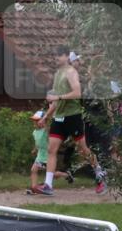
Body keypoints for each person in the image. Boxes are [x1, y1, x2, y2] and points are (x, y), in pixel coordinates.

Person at [32, 45, 107, 196]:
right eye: (55, 56)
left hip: (73, 116)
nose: (56, 58)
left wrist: (58, 97)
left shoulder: (71, 73)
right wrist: (46, 117)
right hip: (59, 118)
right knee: (51, 150)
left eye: (59, 55)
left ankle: (99, 173)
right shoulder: (58, 74)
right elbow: (55, 101)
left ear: (67, 57)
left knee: (83, 149)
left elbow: (77, 93)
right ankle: (48, 185)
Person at [27, 109, 72, 194]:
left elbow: (49, 127)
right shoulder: (34, 132)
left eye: (37, 120)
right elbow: (38, 142)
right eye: (34, 120)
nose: (35, 122)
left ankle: (66, 175)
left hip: (48, 157)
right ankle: (34, 187)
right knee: (33, 170)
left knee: (53, 174)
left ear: (44, 121)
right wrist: (35, 149)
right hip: (40, 156)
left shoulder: (46, 130)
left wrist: (46, 119)